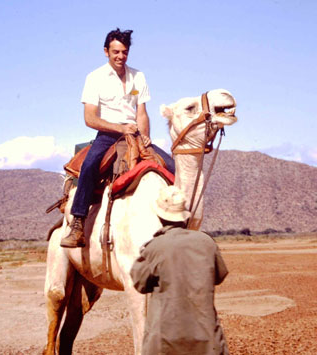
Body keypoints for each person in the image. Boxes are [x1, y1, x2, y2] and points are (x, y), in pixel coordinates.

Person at [60, 28, 174, 248]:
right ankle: (78, 223)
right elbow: (90, 118)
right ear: (106, 51)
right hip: (108, 134)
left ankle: (175, 222)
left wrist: (146, 137)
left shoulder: (138, 76)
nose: (120, 56)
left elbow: (141, 112)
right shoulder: (94, 78)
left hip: (136, 134)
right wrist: (119, 128)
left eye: (124, 52)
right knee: (90, 165)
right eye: (116, 52)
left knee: (170, 166)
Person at [130, 186, 229, 355]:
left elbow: (140, 283)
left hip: (165, 341)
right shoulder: (207, 242)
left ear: (160, 216)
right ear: (184, 216)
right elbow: (219, 275)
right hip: (207, 339)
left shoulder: (154, 247)